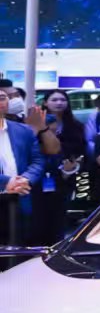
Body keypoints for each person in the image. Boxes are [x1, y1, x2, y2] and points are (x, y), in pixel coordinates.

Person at [25, 92, 86, 241]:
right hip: (34, 185)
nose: (59, 103)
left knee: (57, 219)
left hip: (61, 184)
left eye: (62, 99)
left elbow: (77, 153)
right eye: (54, 99)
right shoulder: (31, 137)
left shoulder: (74, 127)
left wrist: (69, 170)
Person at [2, 100, 48, 248]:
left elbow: (38, 160)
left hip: (19, 197)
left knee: (18, 248)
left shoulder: (23, 130)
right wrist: (6, 182)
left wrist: (26, 179)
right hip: (10, 189)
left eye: (2, 97)